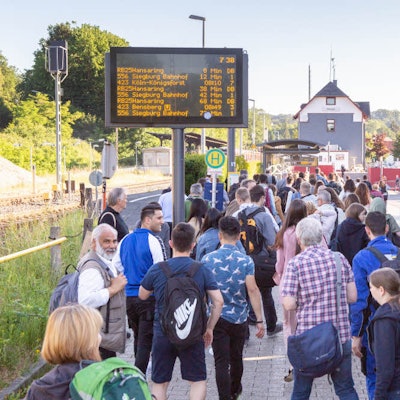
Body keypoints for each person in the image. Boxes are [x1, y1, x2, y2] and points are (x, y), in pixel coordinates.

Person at [138, 223, 224, 400]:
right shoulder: (201, 269)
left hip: (163, 333)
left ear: (171, 243)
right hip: (193, 333)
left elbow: (142, 294)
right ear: (193, 245)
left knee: (160, 383)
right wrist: (209, 328)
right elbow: (219, 301)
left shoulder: (158, 269)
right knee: (197, 381)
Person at [281, 217, 359, 399]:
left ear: (299, 239)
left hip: (309, 340)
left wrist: (304, 301)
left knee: (301, 391)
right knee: (345, 389)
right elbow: (352, 297)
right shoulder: (339, 259)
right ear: (321, 236)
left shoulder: (295, 264)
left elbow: (288, 303)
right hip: (340, 337)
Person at [202, 216, 265, 400]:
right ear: (238, 236)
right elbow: (252, 290)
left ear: (220, 235)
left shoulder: (207, 260)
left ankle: (224, 396)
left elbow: (203, 291)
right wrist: (259, 319)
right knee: (236, 357)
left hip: (216, 317)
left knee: (221, 361)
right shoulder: (246, 261)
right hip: (239, 317)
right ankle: (235, 390)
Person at [113, 203, 167, 374]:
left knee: (138, 336)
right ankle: (138, 376)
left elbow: (116, 265)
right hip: (148, 298)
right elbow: (161, 270)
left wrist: (130, 275)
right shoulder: (154, 241)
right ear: (147, 220)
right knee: (145, 341)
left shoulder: (125, 240)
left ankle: (137, 372)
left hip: (129, 298)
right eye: (159, 218)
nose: (162, 221)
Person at [350, 211, 399, 400]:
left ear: (367, 230)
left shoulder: (361, 258)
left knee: (375, 376)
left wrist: (356, 335)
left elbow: (360, 302)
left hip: (376, 326)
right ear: (386, 229)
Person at [25, 304, 103, 399]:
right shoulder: (107, 380)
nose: (100, 338)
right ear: (88, 340)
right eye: (97, 332)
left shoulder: (41, 389)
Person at [78, 224, 127, 360]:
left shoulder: (103, 261)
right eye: (106, 241)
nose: (112, 245)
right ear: (94, 243)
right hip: (97, 340)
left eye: (114, 241)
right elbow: (85, 300)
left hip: (102, 337)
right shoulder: (92, 269)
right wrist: (112, 289)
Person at [238, 184, 282, 336]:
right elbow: (271, 242)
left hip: (244, 259)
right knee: (266, 294)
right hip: (261, 262)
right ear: (263, 198)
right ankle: (271, 326)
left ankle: (244, 332)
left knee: (244, 295)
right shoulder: (264, 216)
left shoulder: (241, 214)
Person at [274, 199, 308, 383]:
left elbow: (279, 263)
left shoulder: (284, 233)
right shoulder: (308, 233)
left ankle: (293, 363)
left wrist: (279, 275)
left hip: (288, 283)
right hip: (307, 282)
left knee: (288, 324)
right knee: (306, 321)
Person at [368, 268, 400, 399]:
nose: (370, 291)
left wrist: (379, 395)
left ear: (381, 290)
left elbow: (385, 366)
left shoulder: (384, 320)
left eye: (371, 287)